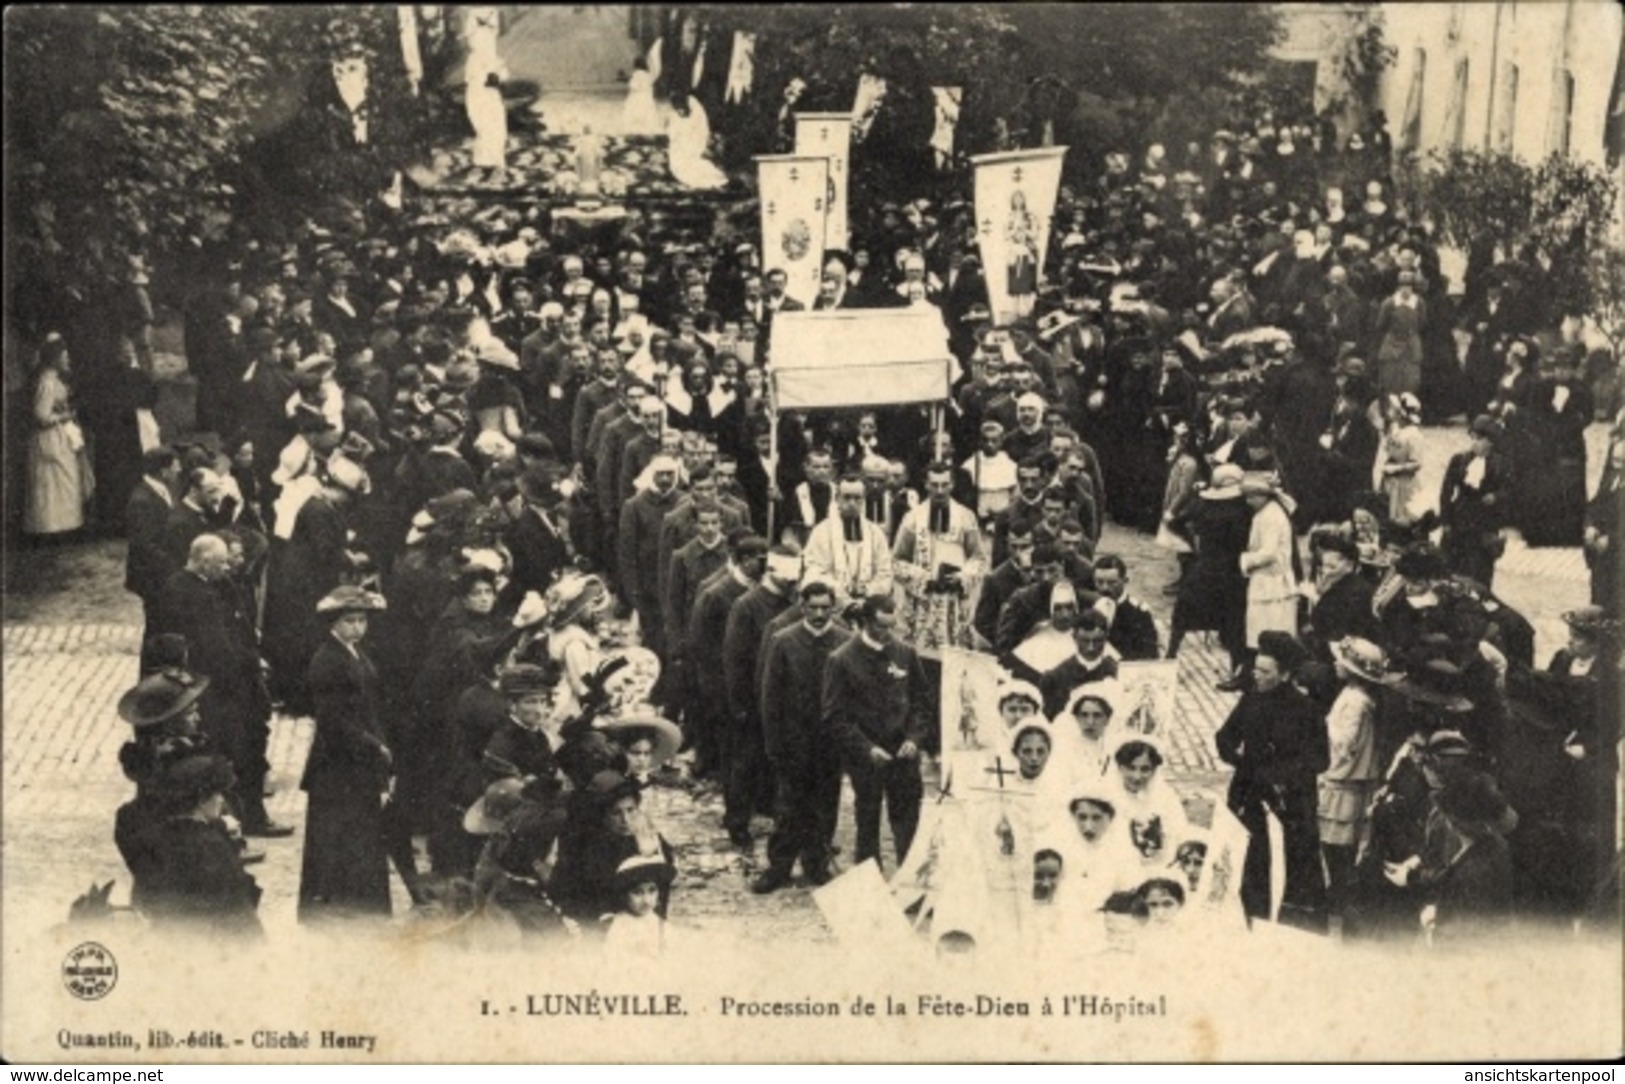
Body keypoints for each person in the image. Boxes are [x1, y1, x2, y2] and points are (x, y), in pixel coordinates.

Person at [1214, 632, 1329, 929]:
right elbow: (1225, 737)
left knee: (1289, 866)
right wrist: (1238, 760)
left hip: (1289, 805)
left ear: (1285, 674)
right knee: (1249, 861)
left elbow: (1320, 760)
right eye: (1255, 668)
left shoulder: (1307, 710)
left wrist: (1283, 774)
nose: (1256, 675)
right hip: (1249, 795)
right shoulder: (1251, 700)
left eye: (1265, 671)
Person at [298, 585, 394, 923]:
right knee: (337, 831)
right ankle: (334, 903)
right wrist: (372, 744)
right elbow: (333, 719)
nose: (357, 627)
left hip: (358, 757)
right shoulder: (327, 660)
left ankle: (357, 900)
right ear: (333, 623)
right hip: (337, 761)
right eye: (350, 621)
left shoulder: (355, 653)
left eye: (362, 620)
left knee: (360, 830)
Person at [822, 595, 933, 871]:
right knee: (867, 822)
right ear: (865, 622)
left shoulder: (905, 653)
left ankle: (910, 881)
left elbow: (922, 704)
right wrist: (866, 748)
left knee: (908, 823)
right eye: (881, 627)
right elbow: (835, 717)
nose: (888, 634)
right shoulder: (842, 659)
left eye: (892, 626)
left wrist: (913, 739)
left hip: (903, 756)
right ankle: (870, 886)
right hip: (867, 758)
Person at [754, 578, 850, 892]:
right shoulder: (783, 641)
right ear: (802, 607)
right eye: (813, 607)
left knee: (825, 804)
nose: (820, 614)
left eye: (826, 607)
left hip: (829, 742)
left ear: (833, 608)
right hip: (793, 741)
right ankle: (779, 867)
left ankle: (816, 863)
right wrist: (773, 744)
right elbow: (770, 697)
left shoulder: (844, 641)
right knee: (788, 805)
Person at [140, 753, 264, 937]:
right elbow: (237, 902)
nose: (221, 800)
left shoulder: (165, 835)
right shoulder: (210, 845)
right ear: (200, 799)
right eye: (216, 793)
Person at [1319, 637, 1398, 921]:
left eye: (1341, 661)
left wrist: (1319, 730)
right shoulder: (1356, 695)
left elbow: (1345, 743)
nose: (1334, 664)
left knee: (1338, 846)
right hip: (1351, 780)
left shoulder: (1355, 702)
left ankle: (1340, 899)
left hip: (1343, 781)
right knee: (1343, 844)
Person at [23, 333, 95, 540]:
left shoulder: (53, 378)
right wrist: (65, 416)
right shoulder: (47, 381)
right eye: (64, 357)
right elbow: (41, 416)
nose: (68, 360)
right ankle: (52, 531)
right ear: (54, 359)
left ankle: (65, 528)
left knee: (64, 481)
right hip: (50, 438)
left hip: (61, 436)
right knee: (55, 483)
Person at [1439, 415, 1511, 589]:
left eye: (1480, 439)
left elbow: (1512, 491)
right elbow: (1446, 492)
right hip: (1460, 518)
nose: (1475, 443)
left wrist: (1496, 497)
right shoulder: (1460, 460)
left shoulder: (1502, 464)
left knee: (1480, 570)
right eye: (1473, 438)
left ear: (1491, 442)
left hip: (1485, 522)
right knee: (1452, 568)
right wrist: (1446, 521)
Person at [1239, 472, 1300, 659]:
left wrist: (1245, 560)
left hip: (1272, 583)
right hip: (1267, 581)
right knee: (1261, 630)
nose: (1248, 501)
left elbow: (1269, 552)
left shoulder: (1271, 516)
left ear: (1263, 495)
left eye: (1251, 497)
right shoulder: (1265, 513)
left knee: (1268, 630)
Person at [602, 854, 678, 957]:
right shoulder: (619, 926)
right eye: (637, 892)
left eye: (652, 891)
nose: (646, 900)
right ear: (624, 895)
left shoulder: (663, 927)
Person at [1377, 393, 1425, 526]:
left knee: (1403, 517)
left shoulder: (1414, 435)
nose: (1390, 411)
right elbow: (1388, 449)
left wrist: (1397, 468)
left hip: (1405, 483)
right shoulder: (1394, 429)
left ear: (1401, 413)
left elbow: (1417, 463)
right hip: (1389, 481)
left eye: (1393, 409)